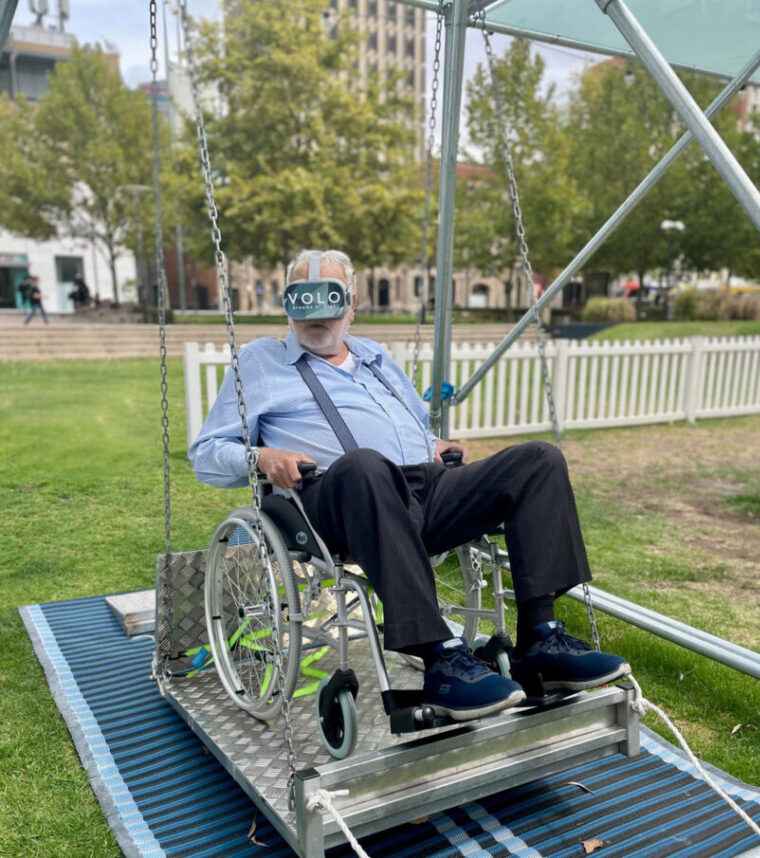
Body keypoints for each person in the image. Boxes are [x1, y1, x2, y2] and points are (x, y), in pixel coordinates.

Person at [190, 248, 629, 722]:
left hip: (424, 487)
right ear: (287, 304)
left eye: (330, 299)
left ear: (351, 305)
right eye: (303, 300)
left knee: (539, 460)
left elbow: (412, 423)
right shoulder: (260, 360)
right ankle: (442, 659)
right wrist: (260, 457)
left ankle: (541, 638)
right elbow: (206, 456)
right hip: (334, 498)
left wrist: (434, 444)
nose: (316, 316)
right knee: (365, 465)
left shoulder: (374, 355)